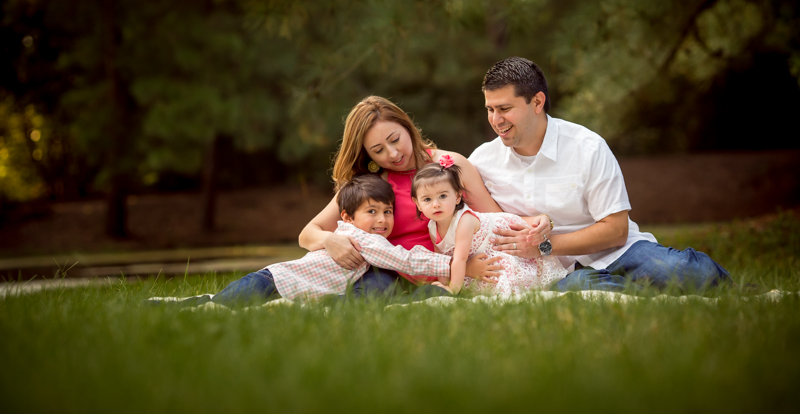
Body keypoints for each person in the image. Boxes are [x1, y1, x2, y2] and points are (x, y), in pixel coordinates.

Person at [468, 57, 732, 292]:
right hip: (556, 271)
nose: (496, 120)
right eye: (490, 109)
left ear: (537, 102)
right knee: (581, 287)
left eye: (504, 109)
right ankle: (634, 292)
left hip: (619, 252)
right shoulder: (482, 161)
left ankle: (726, 288)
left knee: (691, 274)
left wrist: (544, 245)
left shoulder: (587, 146)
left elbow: (616, 230)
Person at [299, 96, 505, 298]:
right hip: (388, 275)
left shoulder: (450, 166)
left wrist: (537, 234)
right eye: (378, 150)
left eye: (395, 140)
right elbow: (307, 234)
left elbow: (498, 220)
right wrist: (329, 240)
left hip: (454, 274)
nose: (393, 154)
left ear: (407, 126)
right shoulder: (370, 183)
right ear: (367, 155)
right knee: (368, 295)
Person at [148, 175, 453, 307]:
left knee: (221, 304)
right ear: (346, 218)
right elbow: (405, 260)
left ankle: (186, 303)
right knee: (223, 306)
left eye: (387, 211)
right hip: (274, 280)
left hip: (286, 285)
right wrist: (452, 264)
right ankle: (174, 306)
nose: (383, 220)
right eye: (371, 211)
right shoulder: (363, 240)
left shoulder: (365, 237)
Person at [411, 156, 567, 296]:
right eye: (427, 199)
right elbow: (442, 260)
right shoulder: (432, 227)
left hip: (497, 248)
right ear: (417, 203)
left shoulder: (464, 221)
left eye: (443, 196)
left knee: (501, 286)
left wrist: (453, 289)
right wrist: (443, 285)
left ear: (458, 196)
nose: (436, 204)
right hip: (473, 262)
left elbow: (460, 258)